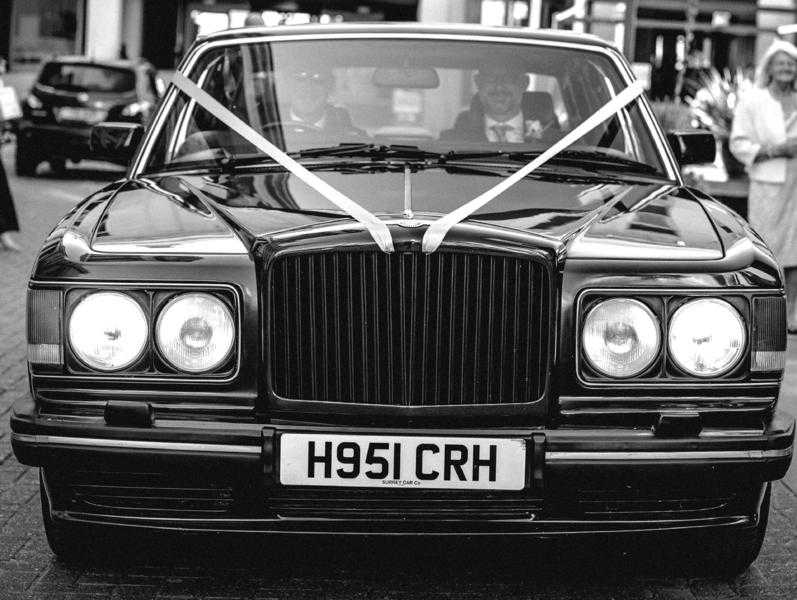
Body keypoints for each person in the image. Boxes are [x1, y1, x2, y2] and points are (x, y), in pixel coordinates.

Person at [731, 40, 797, 331]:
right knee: (768, 249)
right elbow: (738, 143)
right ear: (770, 67)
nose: (787, 68)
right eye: (781, 63)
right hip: (769, 183)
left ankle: (792, 317)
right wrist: (775, 150)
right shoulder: (753, 101)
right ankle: (764, 315)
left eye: (791, 64)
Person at [440, 60, 560, 143]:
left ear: (524, 83)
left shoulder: (557, 144)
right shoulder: (452, 142)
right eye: (490, 79)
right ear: (478, 82)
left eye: (508, 79)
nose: (499, 88)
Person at [280, 67, 361, 138]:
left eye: (318, 80)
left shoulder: (351, 137)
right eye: (300, 79)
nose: (308, 88)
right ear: (288, 87)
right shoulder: (271, 129)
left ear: (329, 87)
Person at [0, 56, 20, 252]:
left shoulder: (3, 88)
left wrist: (7, 130)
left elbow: (9, 117)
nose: (4, 67)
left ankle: (4, 234)